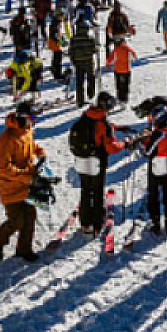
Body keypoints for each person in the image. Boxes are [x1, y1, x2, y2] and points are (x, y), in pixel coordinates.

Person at [0, 101, 45, 262]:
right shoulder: (6, 140)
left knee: (30, 216)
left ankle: (24, 249)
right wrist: (26, 176)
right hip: (10, 187)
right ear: (23, 118)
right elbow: (4, 168)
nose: (34, 120)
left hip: (26, 183)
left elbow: (30, 144)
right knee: (16, 221)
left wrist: (39, 152)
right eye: (32, 117)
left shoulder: (26, 130)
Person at [69, 92, 125, 235]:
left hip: (81, 160)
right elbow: (111, 147)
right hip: (96, 162)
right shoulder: (104, 123)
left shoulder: (86, 116)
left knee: (85, 191)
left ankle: (85, 224)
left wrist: (115, 127)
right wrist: (124, 143)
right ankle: (97, 225)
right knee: (98, 192)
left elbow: (93, 129)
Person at [143, 106, 167, 235]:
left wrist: (144, 142)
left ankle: (155, 223)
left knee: (153, 195)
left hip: (156, 168)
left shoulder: (158, 134)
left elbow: (148, 152)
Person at [67, 20, 99, 107]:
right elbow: (93, 50)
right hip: (88, 62)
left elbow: (71, 52)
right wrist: (96, 48)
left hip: (78, 63)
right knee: (91, 79)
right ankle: (91, 94)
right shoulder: (90, 39)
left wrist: (73, 60)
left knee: (79, 82)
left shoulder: (74, 39)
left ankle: (80, 101)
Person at [105, 37, 138, 106]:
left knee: (118, 84)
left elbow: (110, 59)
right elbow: (134, 56)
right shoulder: (128, 49)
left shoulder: (116, 49)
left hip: (117, 70)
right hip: (126, 70)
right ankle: (125, 99)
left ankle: (119, 98)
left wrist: (108, 64)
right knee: (126, 85)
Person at [47, 9, 68, 81]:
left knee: (56, 57)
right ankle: (57, 74)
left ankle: (54, 70)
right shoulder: (55, 23)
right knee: (58, 58)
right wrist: (61, 42)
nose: (63, 17)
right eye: (62, 16)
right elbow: (54, 35)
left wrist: (63, 40)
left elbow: (60, 34)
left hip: (56, 43)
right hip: (54, 43)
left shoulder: (58, 22)